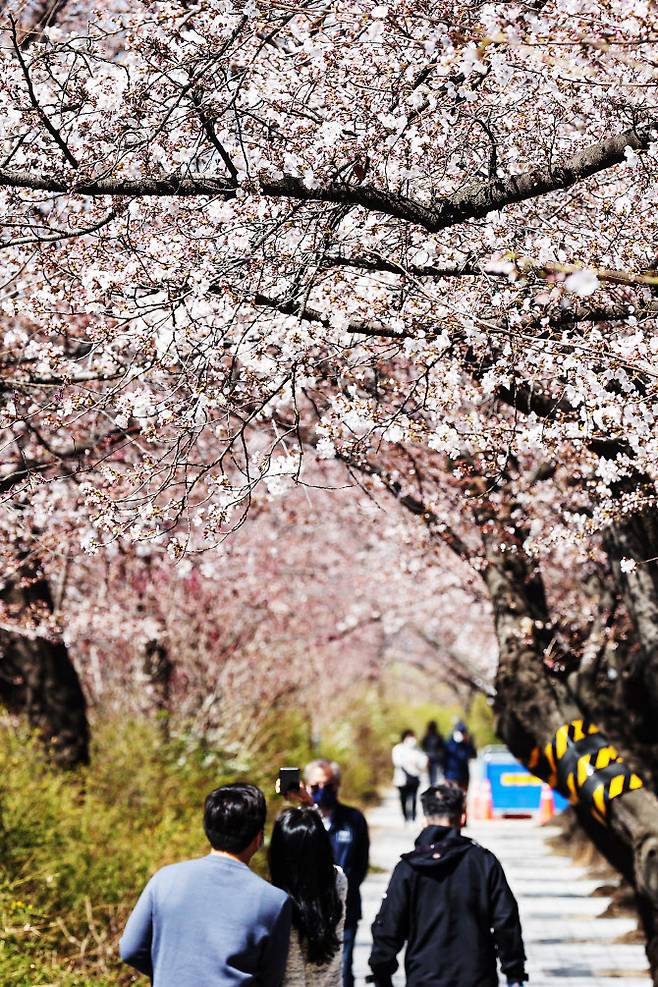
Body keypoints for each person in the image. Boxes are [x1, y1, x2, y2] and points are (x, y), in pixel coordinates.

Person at [120, 783, 292, 987]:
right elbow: (272, 979)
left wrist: (169, 972)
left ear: (207, 829)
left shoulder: (165, 879)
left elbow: (130, 950)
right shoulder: (274, 901)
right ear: (258, 838)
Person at [368, 784, 527, 987]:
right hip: (477, 977)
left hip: (423, 977)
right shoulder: (483, 862)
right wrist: (514, 971)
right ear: (462, 818)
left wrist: (381, 971)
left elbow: (389, 924)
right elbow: (506, 920)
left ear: (424, 820)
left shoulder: (408, 868)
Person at [290, 759, 369, 987]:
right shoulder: (299, 822)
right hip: (307, 911)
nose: (322, 791)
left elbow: (361, 864)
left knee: (343, 970)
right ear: (306, 786)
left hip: (346, 908)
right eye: (316, 786)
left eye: (328, 785)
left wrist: (342, 890)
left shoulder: (353, 820)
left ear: (337, 785)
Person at [269, 806, 348, 986]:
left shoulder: (277, 898)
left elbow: (292, 973)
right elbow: (312, 832)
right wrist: (309, 807)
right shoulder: (338, 882)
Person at [392, 729, 428, 824]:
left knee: (413, 798)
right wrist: (409, 764)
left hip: (414, 778)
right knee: (403, 798)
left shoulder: (417, 749)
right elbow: (397, 762)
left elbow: (423, 762)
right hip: (402, 779)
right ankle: (405, 817)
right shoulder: (398, 748)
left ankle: (413, 817)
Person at [444, 720, 477, 791]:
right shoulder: (450, 743)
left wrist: (469, 743)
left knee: (463, 794)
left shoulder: (467, 744)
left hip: (463, 776)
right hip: (452, 776)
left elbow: (473, 755)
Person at [421, 720, 446, 786]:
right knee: (434, 778)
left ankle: (433, 787)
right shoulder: (429, 737)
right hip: (432, 759)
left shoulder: (428, 737)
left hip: (434, 759)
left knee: (434, 778)